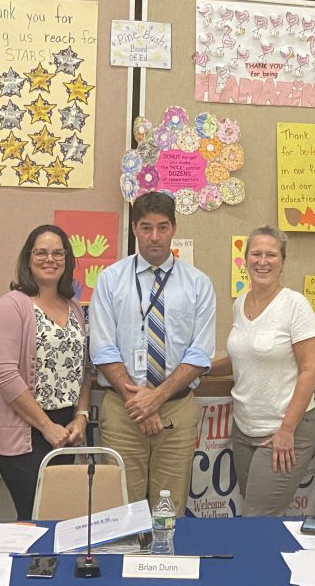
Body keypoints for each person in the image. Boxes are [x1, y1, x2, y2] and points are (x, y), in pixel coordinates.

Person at [89, 191, 216, 514]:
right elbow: (102, 349)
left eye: (162, 227)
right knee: (120, 509)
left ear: (174, 229)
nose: (154, 237)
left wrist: (155, 398)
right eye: (146, 228)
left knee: (168, 508)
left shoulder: (198, 284)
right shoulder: (110, 280)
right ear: (134, 229)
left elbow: (199, 354)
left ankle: (163, 564)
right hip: (122, 409)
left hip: (176, 411)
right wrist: (139, 402)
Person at [210, 226, 315, 516]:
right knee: (262, 518)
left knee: (257, 517)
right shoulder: (241, 303)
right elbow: (242, 358)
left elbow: (310, 369)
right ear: (245, 260)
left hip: (284, 431)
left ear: (283, 262)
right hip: (245, 430)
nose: (263, 261)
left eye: (271, 255)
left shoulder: (295, 305)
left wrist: (287, 429)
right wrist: (201, 370)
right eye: (256, 254)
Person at [0, 224, 93, 520]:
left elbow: (83, 370)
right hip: (27, 433)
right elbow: (6, 375)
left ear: (67, 259)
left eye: (58, 253)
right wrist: (46, 426)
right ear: (28, 258)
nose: (50, 259)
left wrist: (81, 418)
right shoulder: (12, 305)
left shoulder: (74, 308)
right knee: (33, 520)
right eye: (41, 252)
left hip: (67, 430)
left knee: (60, 521)